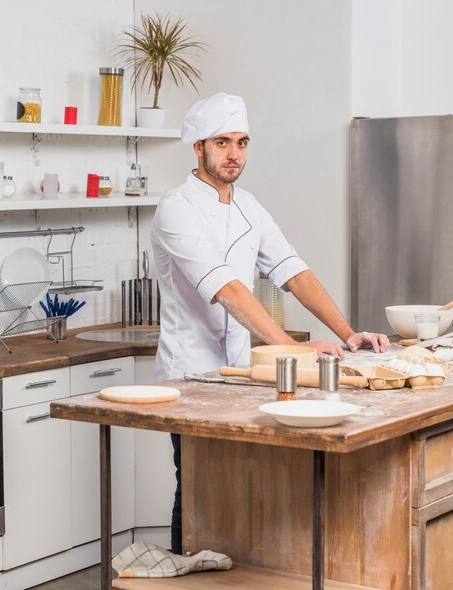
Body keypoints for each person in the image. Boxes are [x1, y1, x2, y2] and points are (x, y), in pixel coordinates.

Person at [150, 92, 390, 555]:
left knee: (243, 491)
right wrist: (293, 349)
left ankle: (233, 578)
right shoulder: (175, 208)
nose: (234, 153)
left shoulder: (250, 208)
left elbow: (292, 271)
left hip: (241, 376)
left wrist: (348, 333)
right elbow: (227, 289)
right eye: (222, 142)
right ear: (197, 147)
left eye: (242, 142)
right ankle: (183, 573)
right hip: (189, 380)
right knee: (197, 488)